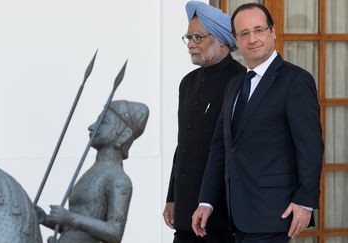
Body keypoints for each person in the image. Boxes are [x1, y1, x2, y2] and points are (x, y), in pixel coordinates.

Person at [191, 3, 323, 243]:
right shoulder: (235, 84)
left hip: (274, 213)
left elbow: (310, 146)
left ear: (272, 32)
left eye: (258, 30)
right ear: (236, 39)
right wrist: (206, 201)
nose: (252, 39)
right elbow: (221, 147)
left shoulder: (295, 80)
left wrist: (305, 200)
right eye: (244, 33)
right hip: (236, 216)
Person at [163, 2, 244, 243]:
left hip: (222, 217)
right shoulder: (187, 83)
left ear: (221, 40)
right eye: (188, 37)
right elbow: (183, 145)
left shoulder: (241, 81)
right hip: (186, 210)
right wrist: (172, 196)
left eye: (198, 36)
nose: (190, 44)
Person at [41, 100, 149, 243]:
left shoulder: (118, 179)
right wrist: (44, 218)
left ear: (124, 134)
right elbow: (77, 231)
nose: (92, 127)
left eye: (103, 122)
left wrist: (70, 218)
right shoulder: (92, 172)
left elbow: (115, 232)